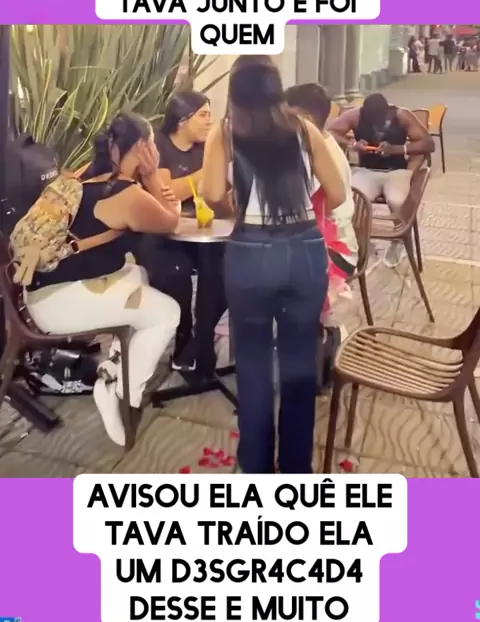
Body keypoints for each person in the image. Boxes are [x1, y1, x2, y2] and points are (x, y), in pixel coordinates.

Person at [202, 56, 346, 474]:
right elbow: (337, 193)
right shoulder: (304, 129)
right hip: (304, 250)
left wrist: (234, 207)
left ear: (235, 91)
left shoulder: (224, 132)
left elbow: (211, 193)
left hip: (251, 253)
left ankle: (257, 468)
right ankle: (297, 468)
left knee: (253, 365)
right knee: (300, 364)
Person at [24, 112, 182, 446]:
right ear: (142, 147)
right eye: (153, 144)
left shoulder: (84, 175)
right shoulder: (126, 193)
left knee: (136, 274)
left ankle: (114, 368)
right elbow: (170, 222)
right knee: (167, 313)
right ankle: (122, 393)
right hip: (59, 304)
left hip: (40, 291)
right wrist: (152, 175)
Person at [141, 91, 226, 374]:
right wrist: (204, 173)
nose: (209, 121)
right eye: (203, 115)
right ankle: (183, 338)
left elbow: (216, 190)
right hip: (162, 234)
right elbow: (167, 194)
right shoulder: (159, 145)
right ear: (182, 119)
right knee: (175, 273)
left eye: (210, 115)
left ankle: (201, 338)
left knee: (222, 269)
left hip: (202, 232)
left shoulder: (206, 147)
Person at [285, 83, 357, 387]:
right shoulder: (316, 143)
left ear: (305, 118)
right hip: (322, 239)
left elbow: (318, 206)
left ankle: (325, 341)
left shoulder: (316, 151)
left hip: (334, 249)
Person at [330, 94, 434, 268]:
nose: (376, 123)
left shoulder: (401, 115)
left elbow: (428, 144)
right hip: (367, 171)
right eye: (371, 119)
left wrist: (397, 149)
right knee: (351, 202)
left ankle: (398, 241)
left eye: (379, 119)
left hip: (397, 171)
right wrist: (353, 144)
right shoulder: (356, 115)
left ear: (387, 112)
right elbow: (330, 132)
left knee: (398, 201)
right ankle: (364, 241)